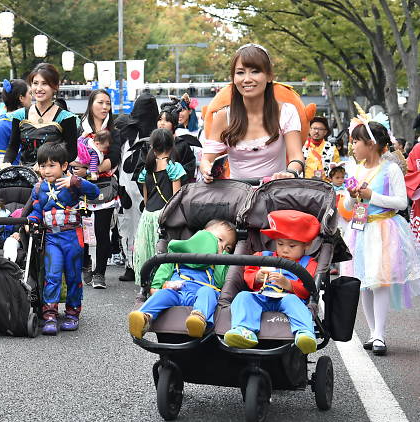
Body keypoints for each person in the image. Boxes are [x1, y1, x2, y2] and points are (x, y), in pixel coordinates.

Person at [340, 116, 420, 355]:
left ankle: (380, 335)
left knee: (380, 280)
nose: (352, 146)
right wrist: (352, 195)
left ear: (371, 144)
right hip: (360, 228)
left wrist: (371, 195)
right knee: (363, 282)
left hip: (384, 229)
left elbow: (400, 201)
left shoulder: (391, 168)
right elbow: (347, 202)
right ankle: (373, 332)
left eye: (356, 141)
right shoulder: (354, 168)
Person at [200, 44, 305, 182]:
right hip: (236, 196)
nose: (247, 79)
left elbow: (296, 156)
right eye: (240, 72)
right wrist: (207, 170)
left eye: (255, 71)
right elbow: (206, 159)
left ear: (269, 76)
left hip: (276, 195)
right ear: (233, 78)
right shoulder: (223, 116)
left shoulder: (287, 111)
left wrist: (290, 172)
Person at [27, 143, 99, 335]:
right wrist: (31, 221)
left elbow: (95, 192)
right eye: (43, 166)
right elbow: (37, 210)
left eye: (52, 165)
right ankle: (49, 315)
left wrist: (76, 182)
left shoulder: (72, 183)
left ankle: (72, 313)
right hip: (51, 237)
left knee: (73, 275)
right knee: (52, 275)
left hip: (73, 236)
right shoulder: (38, 187)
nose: (46, 170)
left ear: (64, 165)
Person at [224, 210, 320, 355]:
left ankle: (304, 333)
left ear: (306, 245)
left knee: (295, 303)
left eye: (292, 246)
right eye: (280, 244)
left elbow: (309, 288)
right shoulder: (263, 256)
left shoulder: (309, 263)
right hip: (262, 295)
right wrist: (257, 276)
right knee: (243, 297)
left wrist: (289, 285)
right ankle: (243, 329)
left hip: (288, 298)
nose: (285, 250)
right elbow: (247, 273)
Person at [128, 220, 237, 339]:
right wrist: (160, 287)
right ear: (203, 234)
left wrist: (220, 258)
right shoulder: (177, 254)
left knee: (208, 293)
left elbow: (221, 282)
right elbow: (161, 275)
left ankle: (198, 319)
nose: (222, 247)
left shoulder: (216, 265)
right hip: (176, 292)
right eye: (219, 240)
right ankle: (143, 317)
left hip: (200, 293)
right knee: (163, 294)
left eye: (228, 248)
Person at [79, 89, 122, 289]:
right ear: (91, 104)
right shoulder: (80, 128)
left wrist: (86, 171)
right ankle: (85, 262)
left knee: (102, 230)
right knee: (79, 226)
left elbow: (113, 159)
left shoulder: (114, 131)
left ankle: (100, 272)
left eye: (108, 103)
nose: (105, 107)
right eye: (100, 103)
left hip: (104, 186)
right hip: (79, 188)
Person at [115, 93, 159, 283]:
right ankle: (130, 264)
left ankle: (146, 265)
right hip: (127, 187)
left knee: (147, 226)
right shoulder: (127, 135)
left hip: (146, 188)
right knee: (126, 223)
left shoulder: (158, 137)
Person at [133, 129, 186, 281]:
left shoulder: (146, 169)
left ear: (153, 147)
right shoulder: (174, 167)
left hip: (147, 216)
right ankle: (162, 282)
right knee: (164, 254)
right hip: (164, 216)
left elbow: (145, 199)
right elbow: (176, 199)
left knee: (147, 254)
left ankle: (146, 283)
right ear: (172, 145)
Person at [3, 63, 78, 167]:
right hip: (26, 176)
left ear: (55, 87)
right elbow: (13, 146)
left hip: (54, 177)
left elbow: (71, 152)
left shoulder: (66, 118)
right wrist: (6, 163)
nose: (39, 88)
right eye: (35, 83)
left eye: (44, 83)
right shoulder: (19, 115)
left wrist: (46, 164)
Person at [0, 79, 30, 173]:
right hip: (8, 183)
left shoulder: (26, 122)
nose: (32, 97)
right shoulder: (2, 126)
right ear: (21, 98)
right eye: (30, 93)